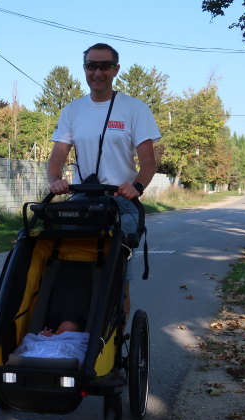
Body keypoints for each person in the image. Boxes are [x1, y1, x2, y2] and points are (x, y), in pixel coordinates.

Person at [46, 42, 161, 318]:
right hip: (84, 200)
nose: (98, 72)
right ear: (84, 69)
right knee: (73, 267)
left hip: (121, 202)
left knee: (117, 277)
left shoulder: (134, 109)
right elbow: (56, 160)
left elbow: (149, 162)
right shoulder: (72, 111)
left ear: (115, 70)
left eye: (105, 66)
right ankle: (76, 326)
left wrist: (136, 187)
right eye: (91, 66)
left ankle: (115, 341)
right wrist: (55, 180)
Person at [13, 320, 89, 364]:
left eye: (66, 331)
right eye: (59, 329)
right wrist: (42, 336)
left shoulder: (76, 339)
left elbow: (80, 345)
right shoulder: (51, 336)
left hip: (61, 354)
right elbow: (34, 339)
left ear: (75, 334)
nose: (61, 331)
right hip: (39, 350)